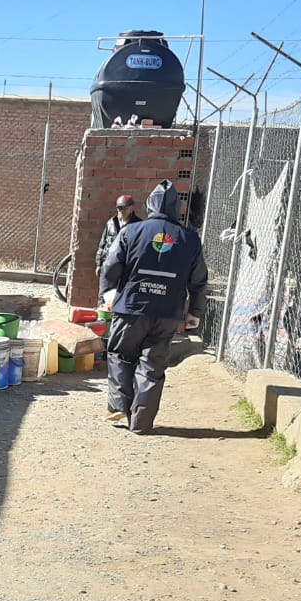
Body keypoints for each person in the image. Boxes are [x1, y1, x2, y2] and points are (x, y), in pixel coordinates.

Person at [98, 180, 208, 435]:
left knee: (120, 353)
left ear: (149, 205)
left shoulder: (131, 232)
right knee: (153, 364)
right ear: (176, 208)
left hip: (131, 308)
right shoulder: (190, 239)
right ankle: (142, 423)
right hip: (168, 312)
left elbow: (110, 267)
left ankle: (118, 404)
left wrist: (108, 294)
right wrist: (195, 313)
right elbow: (199, 279)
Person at [94, 194, 141, 279]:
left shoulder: (138, 225)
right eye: (119, 208)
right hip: (109, 265)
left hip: (126, 268)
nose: (122, 211)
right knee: (106, 291)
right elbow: (103, 244)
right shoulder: (111, 223)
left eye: (125, 208)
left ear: (131, 208)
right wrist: (99, 264)